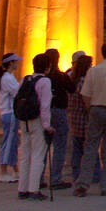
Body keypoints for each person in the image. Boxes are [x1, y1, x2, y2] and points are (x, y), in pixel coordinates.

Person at [75, 42, 106, 198]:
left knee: (90, 148)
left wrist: (90, 109)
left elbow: (85, 94)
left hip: (96, 109)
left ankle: (83, 183)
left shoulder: (93, 71)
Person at [16, 52, 54, 201]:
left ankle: (22, 188)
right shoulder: (45, 82)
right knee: (38, 155)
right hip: (37, 121)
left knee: (25, 155)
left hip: (24, 120)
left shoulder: (25, 79)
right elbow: (45, 106)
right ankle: (34, 189)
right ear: (47, 67)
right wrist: (47, 125)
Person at [43, 47, 73, 190]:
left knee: (43, 147)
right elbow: (72, 89)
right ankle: (55, 178)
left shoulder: (42, 78)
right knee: (60, 146)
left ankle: (38, 177)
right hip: (59, 112)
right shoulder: (61, 76)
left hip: (45, 112)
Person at [67, 51, 99, 186]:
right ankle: (95, 175)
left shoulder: (72, 80)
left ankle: (77, 174)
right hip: (84, 120)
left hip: (74, 119)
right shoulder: (83, 82)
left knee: (77, 149)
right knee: (90, 149)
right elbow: (87, 102)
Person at [0, 54, 22, 183]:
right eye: (16, 62)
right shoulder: (7, 78)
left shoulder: (8, 77)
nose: (18, 64)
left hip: (9, 113)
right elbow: (17, 93)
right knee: (8, 143)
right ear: (11, 63)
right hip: (10, 113)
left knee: (13, 142)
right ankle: (3, 172)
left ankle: (16, 170)